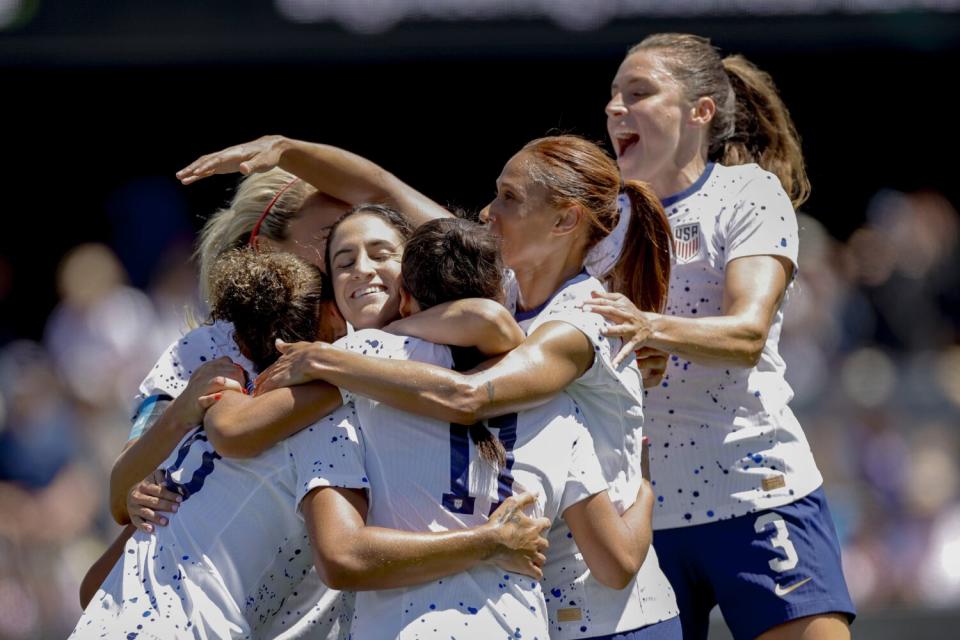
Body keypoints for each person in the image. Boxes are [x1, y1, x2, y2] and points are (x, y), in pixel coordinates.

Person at [185, 134, 682, 639]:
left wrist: (644, 488)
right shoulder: (501, 287)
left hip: (613, 614)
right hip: (535, 609)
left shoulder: (579, 322)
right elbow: (381, 188)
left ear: (564, 221)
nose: (488, 212)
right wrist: (286, 148)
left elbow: (468, 397)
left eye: (509, 198)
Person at [582, 33, 855, 639]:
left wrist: (646, 325)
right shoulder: (598, 222)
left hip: (755, 488)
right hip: (641, 515)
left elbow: (746, 333)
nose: (614, 109)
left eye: (639, 92)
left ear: (700, 112)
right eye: (611, 97)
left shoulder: (746, 193)